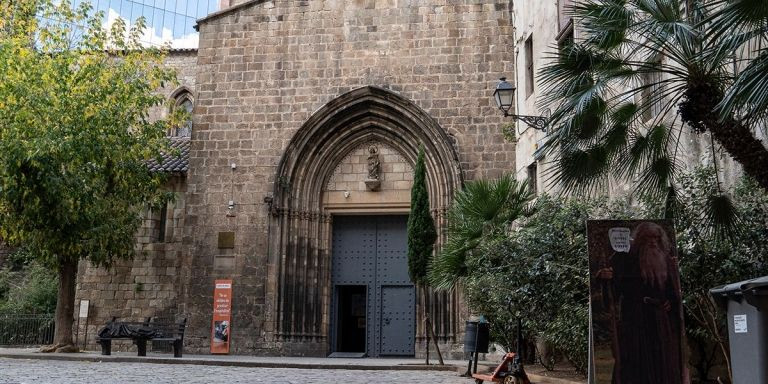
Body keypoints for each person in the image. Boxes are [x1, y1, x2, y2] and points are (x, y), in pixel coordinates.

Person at [596, 222, 684, 384]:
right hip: (635, 321)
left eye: (656, 238)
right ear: (639, 239)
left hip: (659, 323)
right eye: (648, 238)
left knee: (661, 363)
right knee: (635, 363)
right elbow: (614, 293)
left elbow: (673, 292)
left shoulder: (666, 261)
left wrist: (670, 302)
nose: (652, 242)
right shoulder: (626, 260)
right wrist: (606, 278)